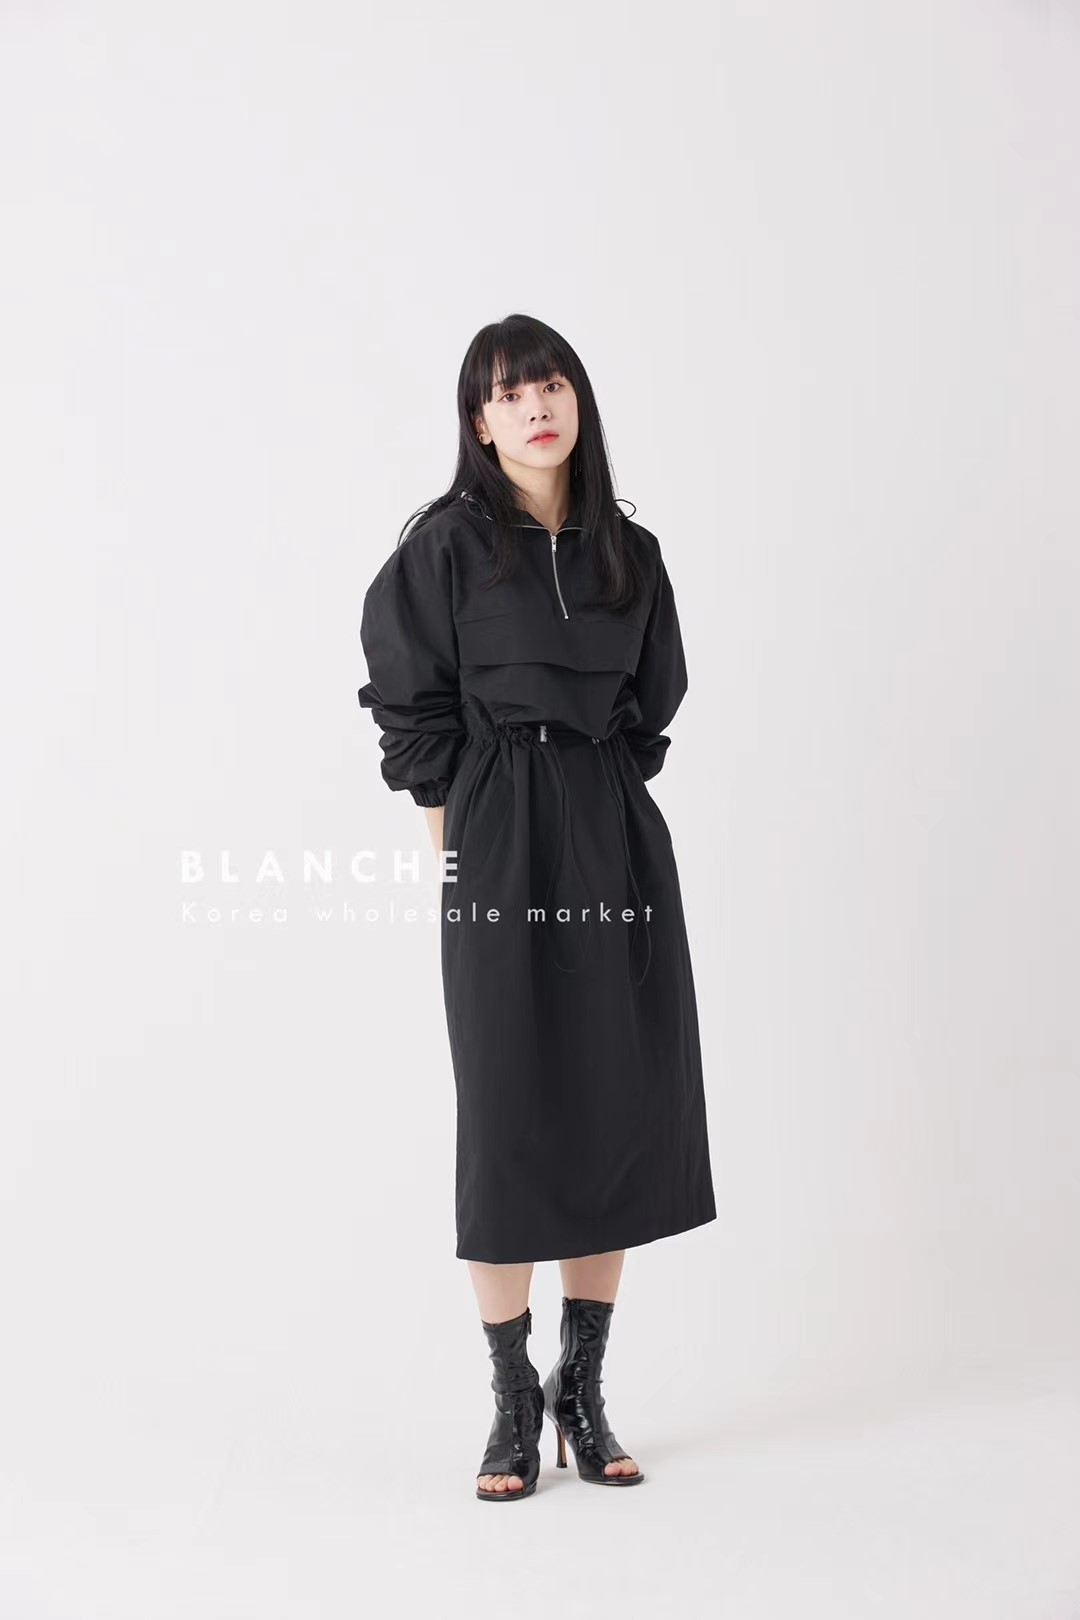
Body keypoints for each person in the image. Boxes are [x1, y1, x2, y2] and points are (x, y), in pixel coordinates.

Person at [357, 313, 717, 1501]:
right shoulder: (447, 548)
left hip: (612, 834)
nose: (534, 407)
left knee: (615, 1095)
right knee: (509, 1104)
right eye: (507, 394)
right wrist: (460, 854)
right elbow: (413, 712)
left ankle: (584, 1383)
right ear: (479, 421)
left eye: (549, 384)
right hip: (498, 834)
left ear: (578, 400)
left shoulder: (631, 553)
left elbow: (650, 705)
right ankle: (512, 1394)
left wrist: (599, 802)